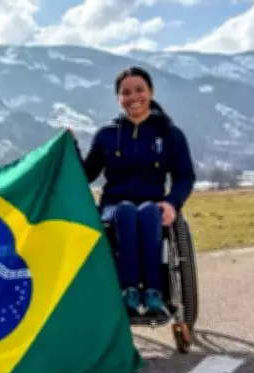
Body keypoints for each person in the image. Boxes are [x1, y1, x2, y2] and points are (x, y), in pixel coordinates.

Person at [80, 66, 196, 316]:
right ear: (118, 98)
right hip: (114, 206)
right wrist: (71, 150)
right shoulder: (106, 135)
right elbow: (86, 175)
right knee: (125, 211)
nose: (134, 97)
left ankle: (154, 293)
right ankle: (128, 291)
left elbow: (185, 176)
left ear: (151, 92)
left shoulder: (170, 134)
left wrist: (172, 203)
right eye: (126, 92)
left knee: (147, 212)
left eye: (140, 90)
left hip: (153, 204)